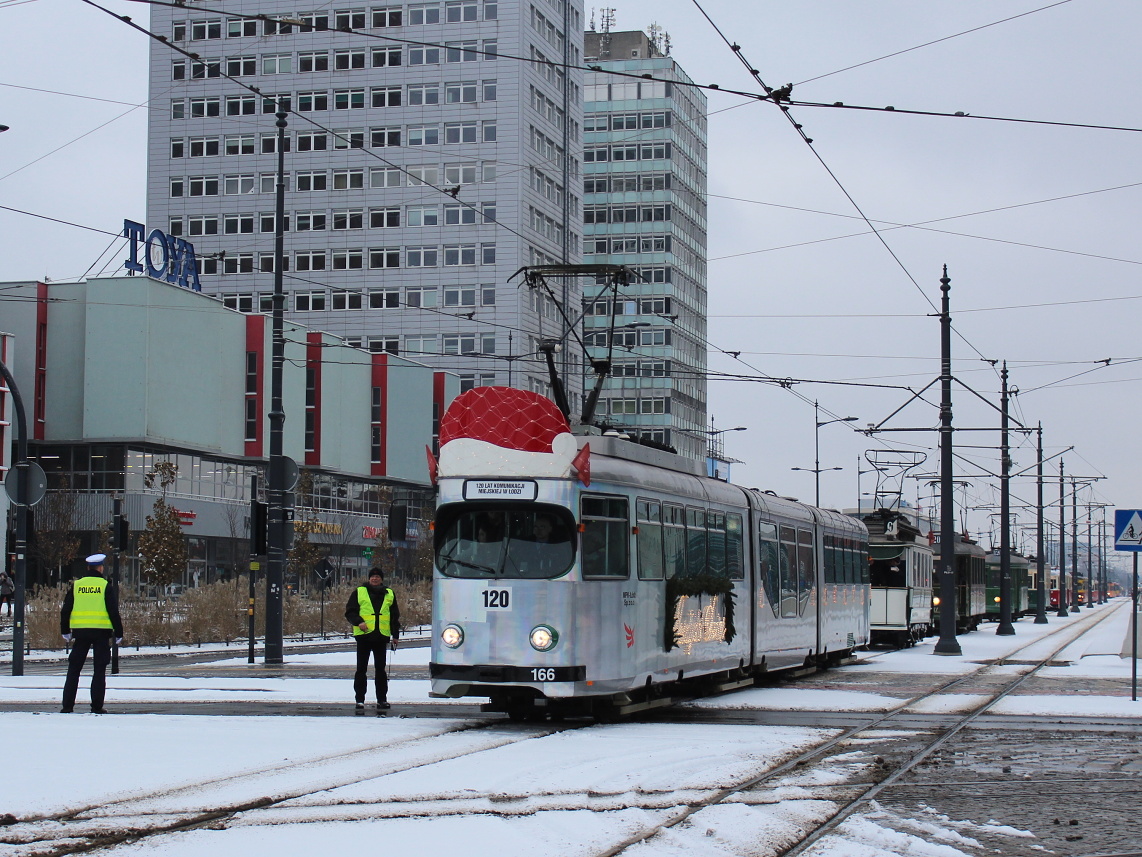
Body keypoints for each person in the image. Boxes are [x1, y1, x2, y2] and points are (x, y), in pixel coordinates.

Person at [60, 554, 124, 714]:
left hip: (80, 633)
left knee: (74, 669)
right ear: (101, 568)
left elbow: (66, 609)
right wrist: (119, 632)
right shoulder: (104, 586)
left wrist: (65, 630)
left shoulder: (77, 585)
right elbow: (113, 611)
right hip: (101, 633)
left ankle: (67, 706)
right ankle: (96, 706)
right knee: (99, 670)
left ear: (88, 568)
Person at [345, 567, 401, 715]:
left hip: (381, 636)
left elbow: (394, 616)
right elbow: (350, 611)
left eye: (377, 576)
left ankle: (382, 699)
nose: (375, 579)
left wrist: (395, 635)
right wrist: (358, 622)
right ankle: (359, 700)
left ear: (381, 579)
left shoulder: (389, 593)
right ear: (369, 578)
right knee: (361, 670)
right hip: (364, 636)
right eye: (372, 576)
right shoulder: (359, 592)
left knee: (381, 670)